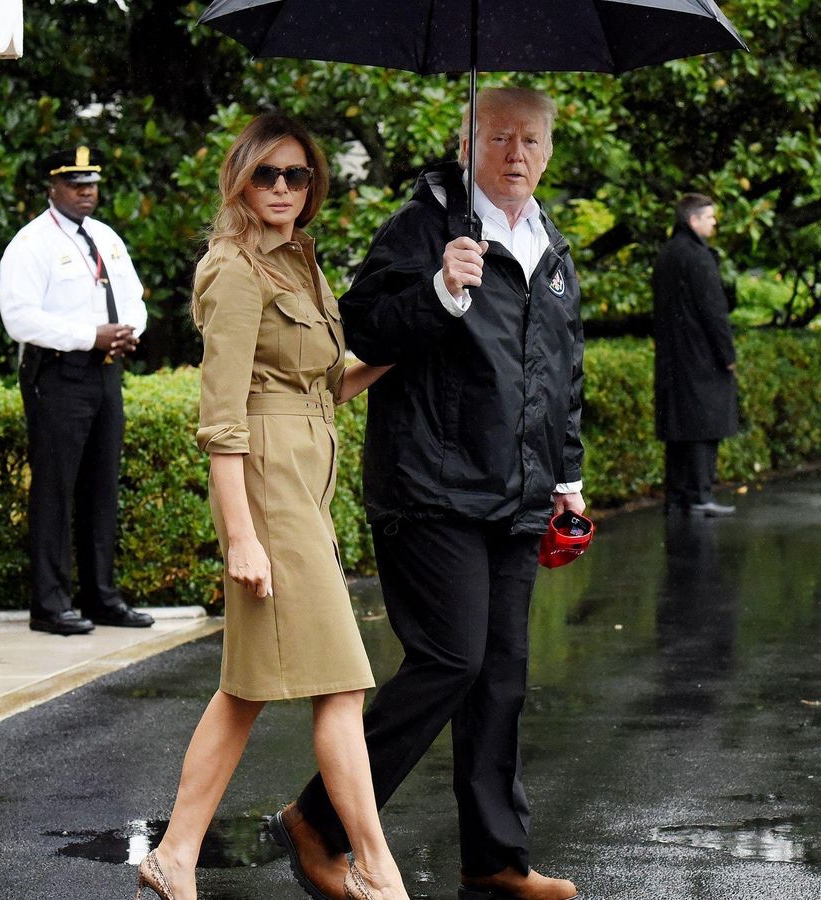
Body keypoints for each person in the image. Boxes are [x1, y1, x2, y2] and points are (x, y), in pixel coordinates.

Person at [273, 87, 584, 900]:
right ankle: (318, 821)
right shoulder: (423, 227)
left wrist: (566, 477)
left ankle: (495, 860)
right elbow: (362, 327)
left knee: (501, 677)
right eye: (499, 137)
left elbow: (561, 373)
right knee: (451, 659)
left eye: (531, 140)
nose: (516, 153)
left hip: (517, 494)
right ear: (467, 143)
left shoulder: (550, 245)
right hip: (430, 487)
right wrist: (441, 291)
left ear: (550, 152)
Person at [133, 114, 408, 900]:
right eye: (267, 174)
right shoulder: (233, 269)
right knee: (342, 683)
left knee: (247, 688)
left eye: (297, 175)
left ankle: (175, 855)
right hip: (267, 488)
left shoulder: (302, 262)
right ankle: (375, 869)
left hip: (306, 484)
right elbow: (222, 421)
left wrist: (425, 325)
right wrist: (240, 538)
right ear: (241, 180)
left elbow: (329, 385)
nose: (283, 188)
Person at [0, 147, 155, 635]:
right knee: (55, 489)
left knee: (101, 487)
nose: (86, 192)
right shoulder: (31, 243)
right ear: (52, 188)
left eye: (92, 183)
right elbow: (19, 318)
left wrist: (130, 330)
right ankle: (50, 605)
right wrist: (91, 335)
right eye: (75, 184)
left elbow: (133, 297)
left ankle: (101, 598)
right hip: (59, 374)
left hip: (106, 372)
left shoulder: (106, 237)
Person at [651, 193, 739, 518]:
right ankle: (700, 494)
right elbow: (713, 311)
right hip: (701, 357)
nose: (714, 223)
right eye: (710, 217)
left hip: (672, 358)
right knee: (704, 426)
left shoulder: (667, 255)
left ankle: (677, 496)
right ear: (693, 220)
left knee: (678, 428)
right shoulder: (699, 258)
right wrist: (727, 354)